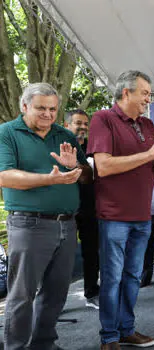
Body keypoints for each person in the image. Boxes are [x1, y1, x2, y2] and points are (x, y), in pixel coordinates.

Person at [88, 70, 154, 349]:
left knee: (133, 277)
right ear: (125, 93)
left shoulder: (146, 124)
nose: (148, 98)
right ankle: (109, 337)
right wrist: (149, 155)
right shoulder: (102, 119)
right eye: (144, 93)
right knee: (111, 279)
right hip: (114, 217)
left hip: (142, 217)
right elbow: (104, 166)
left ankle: (126, 329)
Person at [0, 83, 92, 350]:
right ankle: (16, 347)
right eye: (41, 108)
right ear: (24, 106)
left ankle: (44, 344)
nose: (48, 114)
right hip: (28, 224)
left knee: (56, 292)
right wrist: (48, 179)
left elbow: (88, 176)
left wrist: (75, 166)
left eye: (53, 109)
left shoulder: (65, 134)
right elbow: (4, 175)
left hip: (66, 224)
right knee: (22, 294)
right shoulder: (7, 133)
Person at [64, 109, 100, 309]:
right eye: (78, 123)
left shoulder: (93, 148)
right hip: (64, 210)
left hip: (89, 208)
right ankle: (53, 300)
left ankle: (92, 293)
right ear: (66, 124)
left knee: (92, 253)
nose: (83, 128)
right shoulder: (56, 146)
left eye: (86, 124)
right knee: (60, 256)